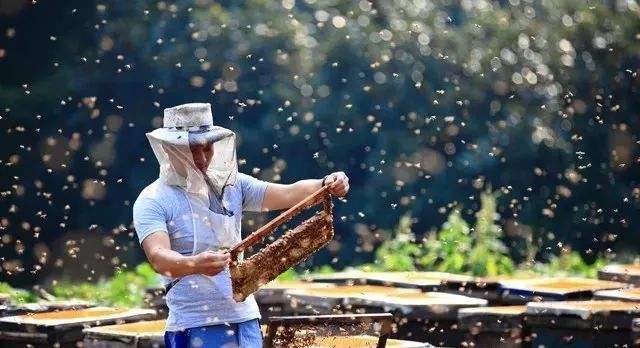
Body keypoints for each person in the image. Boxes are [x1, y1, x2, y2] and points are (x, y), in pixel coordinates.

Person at [132, 103, 349, 348]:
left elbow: (288, 194)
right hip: (195, 323)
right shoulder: (153, 199)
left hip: (245, 317)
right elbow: (159, 257)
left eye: (207, 148)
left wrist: (325, 183)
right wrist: (195, 264)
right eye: (193, 151)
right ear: (171, 149)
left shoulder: (233, 185)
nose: (203, 159)